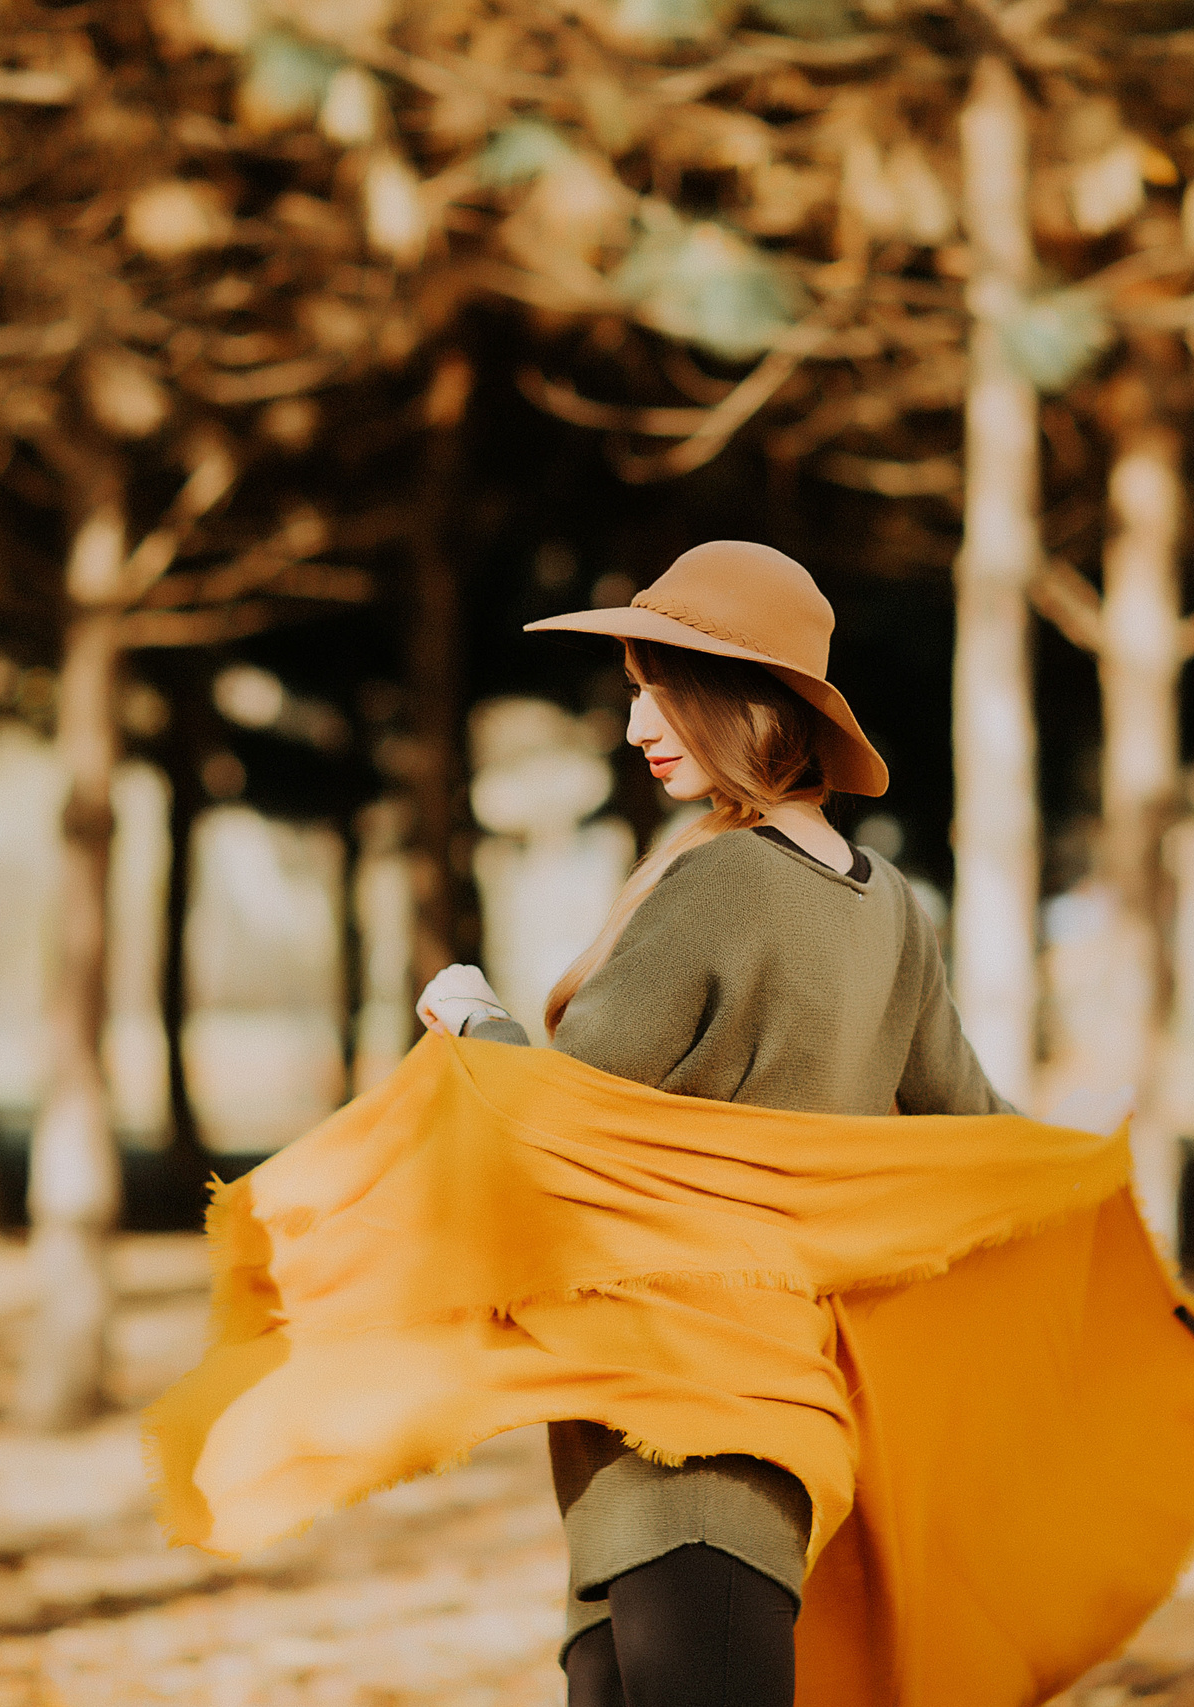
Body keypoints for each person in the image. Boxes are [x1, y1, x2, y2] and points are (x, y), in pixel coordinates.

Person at [414, 539, 1010, 1707]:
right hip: (762, 1420)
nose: (637, 724)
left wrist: (472, 1019)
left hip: (677, 1430)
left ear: (748, 701)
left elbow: (560, 1123)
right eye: (634, 690)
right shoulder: (889, 908)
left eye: (663, 689)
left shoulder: (721, 884)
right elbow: (975, 1133)